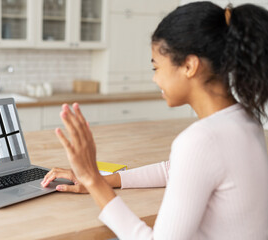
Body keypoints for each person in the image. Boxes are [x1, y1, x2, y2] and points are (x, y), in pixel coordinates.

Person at [41, 2, 268, 239]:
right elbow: (176, 170)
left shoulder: (202, 140)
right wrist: (102, 180)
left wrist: (92, 179)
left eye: (156, 67)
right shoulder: (246, 120)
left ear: (189, 66)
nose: (155, 79)